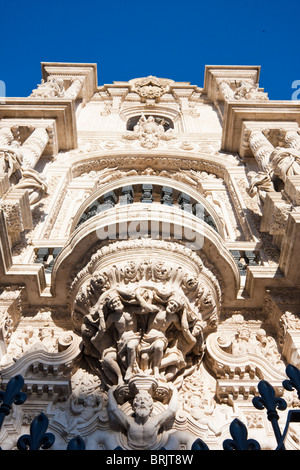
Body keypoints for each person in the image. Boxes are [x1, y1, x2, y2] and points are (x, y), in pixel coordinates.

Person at [107, 384, 178, 450]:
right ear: (134, 406)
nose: (142, 402)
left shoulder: (155, 421)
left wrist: (174, 391)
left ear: (150, 406)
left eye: (145, 400)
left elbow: (171, 410)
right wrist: (110, 393)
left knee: (177, 437)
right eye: (139, 400)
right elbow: (114, 410)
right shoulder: (129, 422)